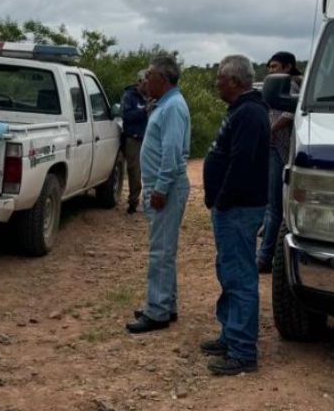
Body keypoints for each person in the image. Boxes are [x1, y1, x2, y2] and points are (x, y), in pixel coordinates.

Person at [200, 54, 270, 376]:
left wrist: (223, 199)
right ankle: (230, 336)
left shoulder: (251, 114)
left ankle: (242, 351)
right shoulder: (242, 111)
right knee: (228, 272)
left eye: (219, 80)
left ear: (235, 81)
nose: (216, 85)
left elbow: (240, 164)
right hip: (233, 208)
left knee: (240, 277)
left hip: (239, 209)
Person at [127, 55, 191, 334]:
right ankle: (165, 304)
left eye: (149, 75)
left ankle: (157, 311)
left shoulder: (172, 107)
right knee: (164, 250)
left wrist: (161, 188)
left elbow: (172, 152)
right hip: (160, 186)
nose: (144, 80)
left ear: (162, 79)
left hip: (166, 186)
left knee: (160, 252)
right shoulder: (166, 105)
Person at [257, 51, 303, 273]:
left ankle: (265, 257)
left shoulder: (291, 87)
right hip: (272, 148)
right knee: (270, 205)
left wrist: (270, 129)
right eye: (269, 67)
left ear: (287, 67)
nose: (271, 71)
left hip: (280, 150)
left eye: (275, 67)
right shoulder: (275, 87)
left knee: (274, 207)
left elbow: (290, 114)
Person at [119, 70, 150, 214]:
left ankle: (148, 201)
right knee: (134, 171)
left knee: (150, 171)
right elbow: (126, 116)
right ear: (139, 82)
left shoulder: (152, 96)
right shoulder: (129, 96)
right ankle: (133, 201)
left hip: (149, 139)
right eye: (145, 83)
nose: (148, 86)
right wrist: (144, 110)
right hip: (134, 138)